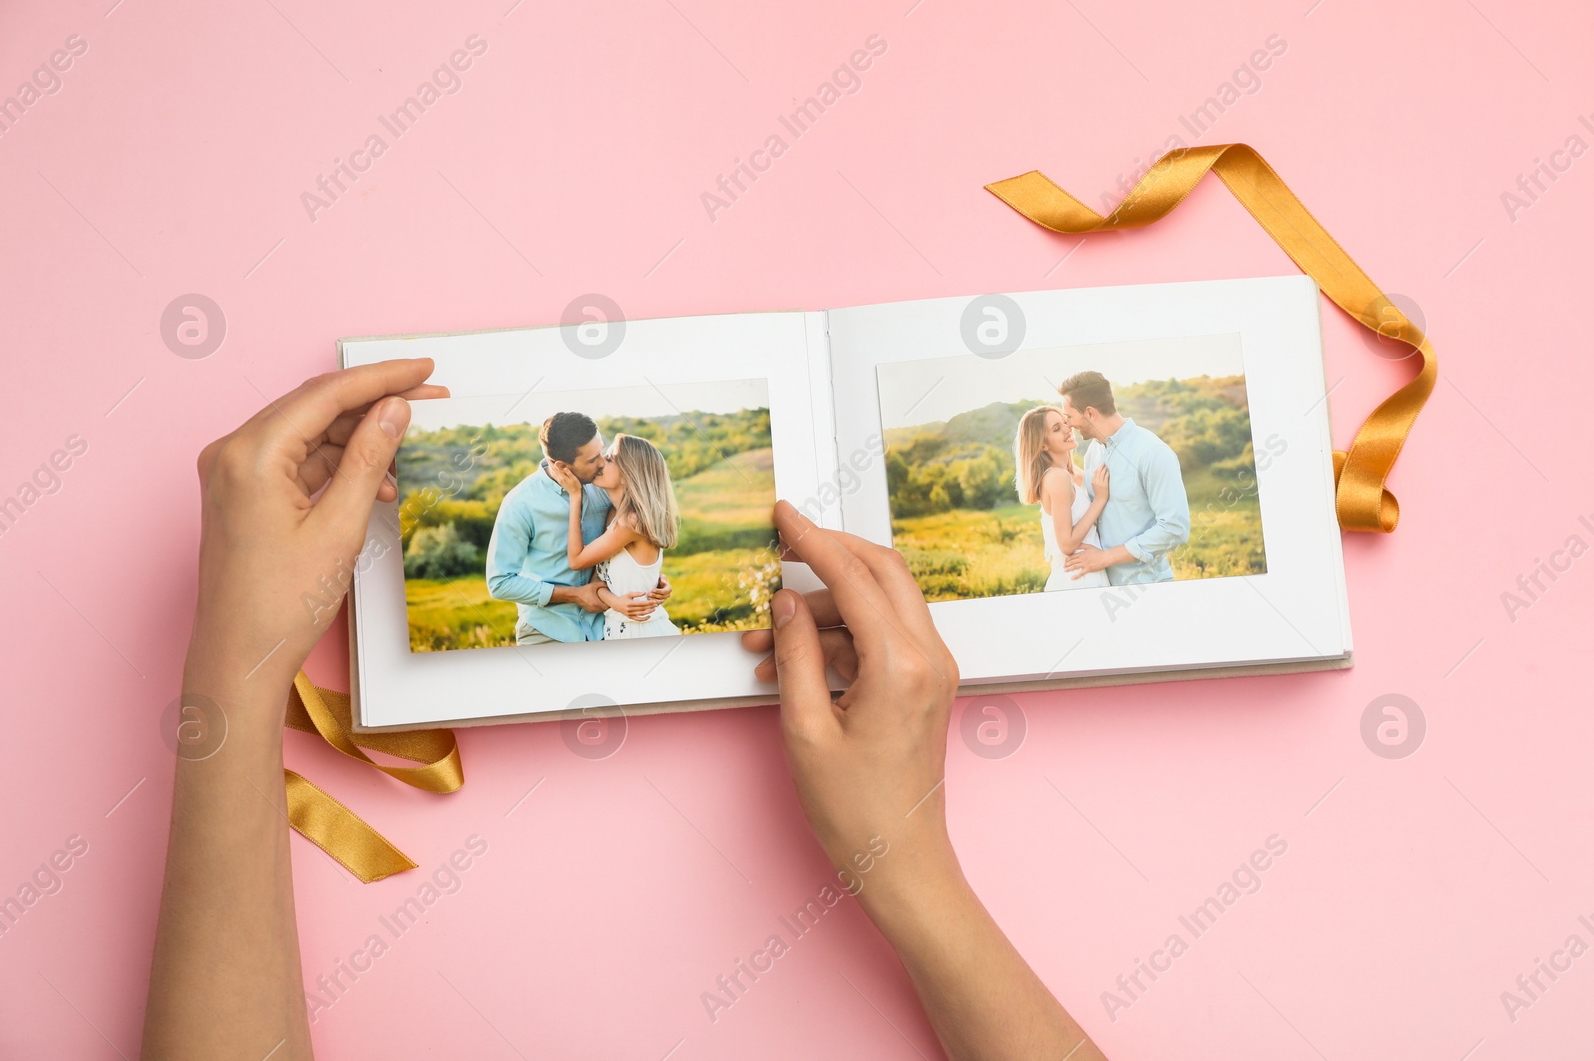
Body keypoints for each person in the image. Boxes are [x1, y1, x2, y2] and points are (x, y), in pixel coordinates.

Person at [141, 360, 1109, 1061]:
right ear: (568, 459)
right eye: (593, 458)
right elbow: (514, 577)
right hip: (567, 638)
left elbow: (594, 563)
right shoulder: (557, 507)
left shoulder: (608, 515)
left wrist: (235, 660)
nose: (604, 466)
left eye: (610, 460)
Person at [484, 410, 668, 643]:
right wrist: (574, 595)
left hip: (607, 628)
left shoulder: (604, 487)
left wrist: (652, 580)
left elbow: (632, 539)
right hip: (547, 631)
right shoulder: (520, 503)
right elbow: (500, 583)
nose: (602, 463)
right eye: (593, 460)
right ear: (562, 465)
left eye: (602, 452)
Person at [1057, 371, 1191, 585]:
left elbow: (1175, 529)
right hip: (1104, 585)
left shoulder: (1153, 452)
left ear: (1090, 413)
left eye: (1069, 416)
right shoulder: (1094, 451)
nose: (1068, 425)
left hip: (1147, 585)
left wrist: (1104, 558)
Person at [548, 432, 682, 639]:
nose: (600, 463)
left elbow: (576, 560)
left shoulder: (630, 523)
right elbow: (599, 579)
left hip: (641, 632)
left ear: (630, 474)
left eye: (609, 459)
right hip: (617, 630)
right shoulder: (615, 515)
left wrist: (576, 496)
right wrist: (614, 601)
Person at [1013, 405, 1111, 590]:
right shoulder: (1057, 477)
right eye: (1057, 429)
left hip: (1086, 574)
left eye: (1065, 423)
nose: (1067, 429)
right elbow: (1066, 544)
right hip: (1077, 580)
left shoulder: (1070, 475)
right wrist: (1099, 500)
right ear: (1042, 444)